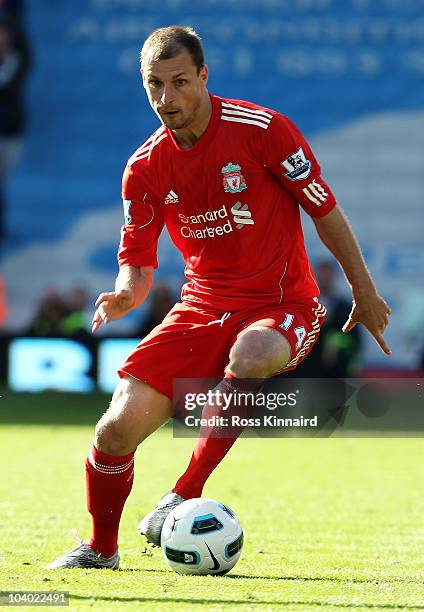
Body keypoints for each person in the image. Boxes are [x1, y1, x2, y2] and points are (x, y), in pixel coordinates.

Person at [48, 26, 391, 570]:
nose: (167, 98)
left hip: (285, 305)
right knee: (114, 432)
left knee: (251, 355)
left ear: (204, 77)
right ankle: (101, 549)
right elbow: (137, 263)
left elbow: (324, 210)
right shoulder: (144, 167)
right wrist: (124, 294)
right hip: (203, 307)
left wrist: (364, 292)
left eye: (180, 82)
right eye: (154, 85)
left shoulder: (264, 131)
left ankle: (182, 494)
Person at [292, 259, 362, 377]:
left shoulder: (346, 308)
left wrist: (335, 343)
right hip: (304, 371)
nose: (325, 280)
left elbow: (356, 340)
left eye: (328, 277)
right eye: (322, 277)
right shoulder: (302, 305)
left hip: (336, 373)